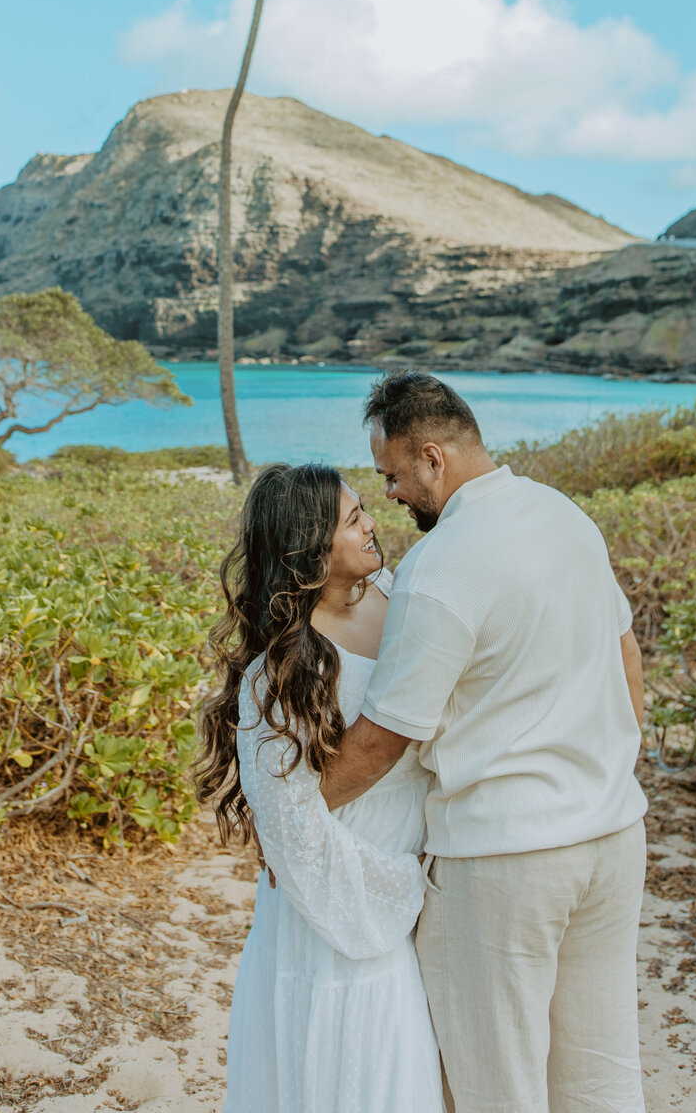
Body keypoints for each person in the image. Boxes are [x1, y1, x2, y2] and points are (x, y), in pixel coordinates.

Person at [322, 370, 648, 1113]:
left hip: (504, 860)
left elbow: (385, 736)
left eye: (394, 476)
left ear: (433, 458)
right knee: (599, 1069)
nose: (394, 497)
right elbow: (626, 655)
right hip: (612, 835)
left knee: (492, 1079)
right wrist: (609, 772)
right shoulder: (567, 516)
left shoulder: (442, 565)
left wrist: (299, 811)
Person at [197, 461, 444, 1113]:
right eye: (353, 520)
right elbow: (291, 828)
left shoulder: (395, 590)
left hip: (413, 847)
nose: (372, 525)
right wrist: (406, 880)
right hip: (343, 891)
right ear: (310, 547)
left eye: (365, 509)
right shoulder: (279, 671)